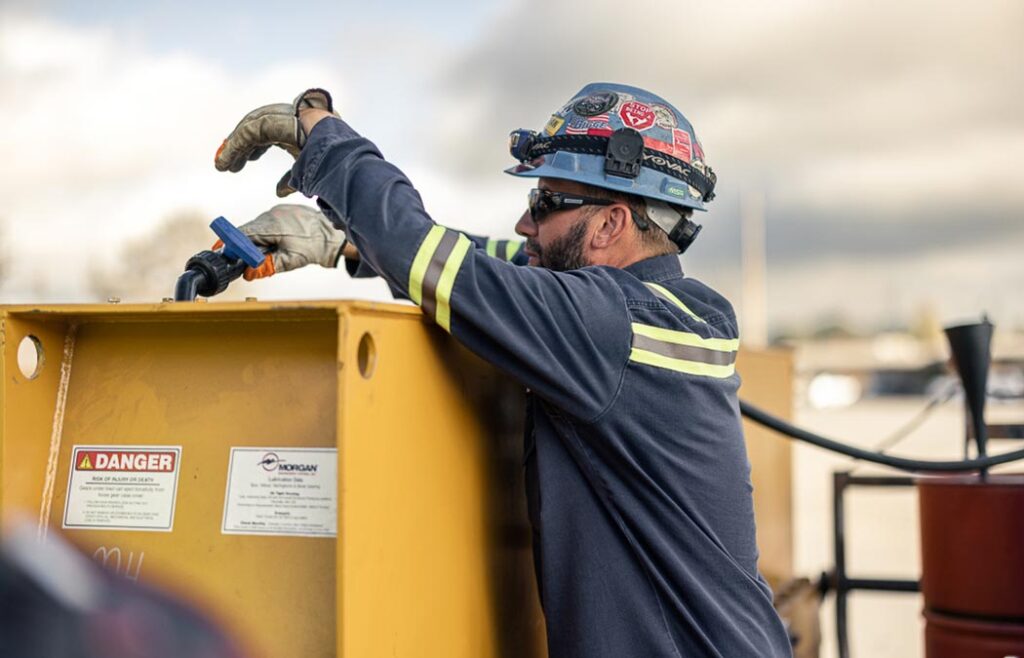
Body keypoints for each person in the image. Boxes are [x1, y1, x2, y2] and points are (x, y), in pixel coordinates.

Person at [214, 83, 793, 657]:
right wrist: (345, 244)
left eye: (544, 205)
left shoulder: (605, 324)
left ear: (612, 223)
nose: (524, 223)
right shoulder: (677, 311)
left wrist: (323, 138)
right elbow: (498, 265)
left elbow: (424, 252)